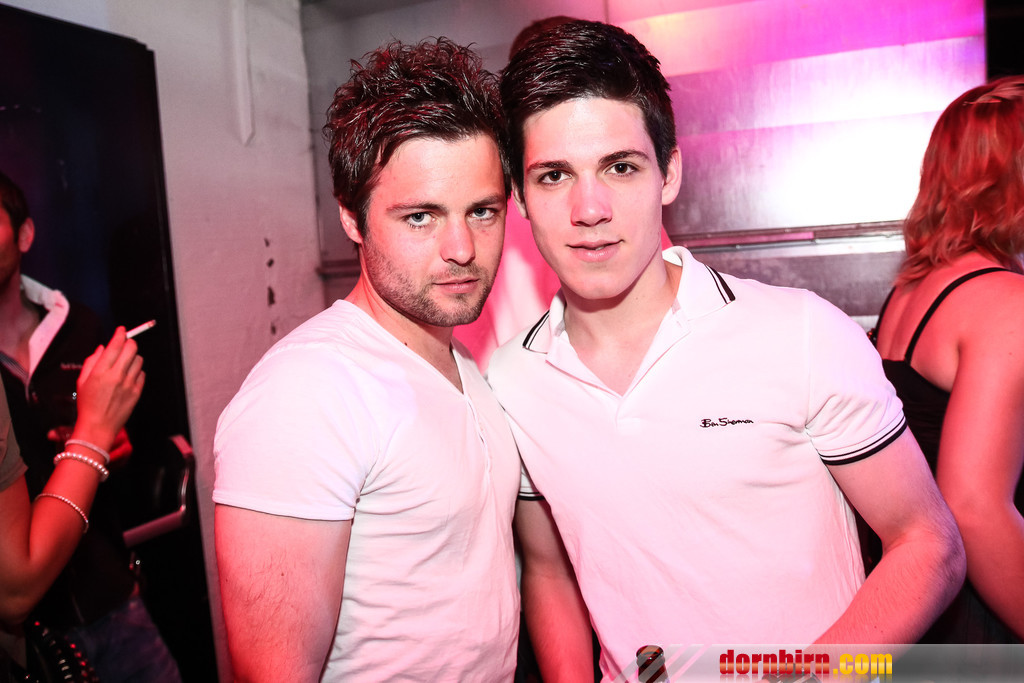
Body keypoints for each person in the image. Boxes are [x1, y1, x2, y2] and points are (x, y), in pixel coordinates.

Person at [487, 20, 966, 680]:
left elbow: (929, 542)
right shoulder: (513, 380)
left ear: (669, 173)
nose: (589, 208)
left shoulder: (800, 333)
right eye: (553, 175)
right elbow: (550, 569)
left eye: (620, 167)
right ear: (518, 195)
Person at [213, 38, 520, 681]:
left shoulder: (462, 365)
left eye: (482, 211)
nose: (462, 247)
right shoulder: (307, 392)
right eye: (420, 217)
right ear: (352, 219)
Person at [0, 170, 180, 682]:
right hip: (32, 624)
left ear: (25, 234)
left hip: (108, 594)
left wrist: (110, 446)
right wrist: (90, 440)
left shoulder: (79, 326)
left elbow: (121, 442)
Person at [871, 75, 1024, 643]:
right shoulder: (1003, 303)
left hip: (927, 603)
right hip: (981, 619)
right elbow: (976, 508)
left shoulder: (916, 286)